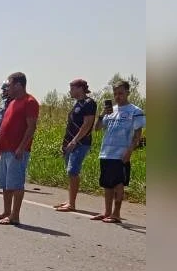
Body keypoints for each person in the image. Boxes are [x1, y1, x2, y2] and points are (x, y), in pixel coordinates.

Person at [0, 72, 39, 225]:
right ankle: (6, 211)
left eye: (9, 84)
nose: (7, 88)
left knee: (16, 184)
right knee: (5, 183)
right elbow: (5, 125)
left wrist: (22, 147)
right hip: (5, 149)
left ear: (18, 85)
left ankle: (15, 215)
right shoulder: (12, 102)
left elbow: (31, 127)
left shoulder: (29, 102)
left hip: (17, 151)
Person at [92, 79, 144, 223]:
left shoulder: (135, 111)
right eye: (115, 93)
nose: (117, 96)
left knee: (118, 183)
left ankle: (116, 213)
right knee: (107, 184)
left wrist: (129, 151)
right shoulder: (111, 111)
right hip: (106, 152)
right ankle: (107, 212)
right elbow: (97, 128)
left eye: (120, 93)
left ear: (128, 92)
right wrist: (102, 114)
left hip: (121, 154)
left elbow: (138, 134)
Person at [55, 78, 97, 212]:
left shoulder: (89, 103)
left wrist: (75, 141)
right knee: (70, 172)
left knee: (73, 171)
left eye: (72, 88)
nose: (70, 91)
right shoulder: (77, 104)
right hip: (69, 143)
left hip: (80, 143)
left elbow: (87, 124)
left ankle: (72, 204)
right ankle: (69, 200)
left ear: (80, 88)